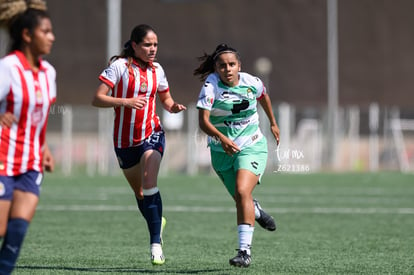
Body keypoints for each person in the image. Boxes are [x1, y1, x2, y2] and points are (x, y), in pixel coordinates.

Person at [92, 24, 186, 265]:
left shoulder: (158, 70)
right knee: (141, 193)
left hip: (151, 133)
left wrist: (172, 107)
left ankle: (156, 244)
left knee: (149, 181)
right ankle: (157, 221)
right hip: (124, 141)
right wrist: (125, 101)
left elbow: (165, 98)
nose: (152, 49)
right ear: (134, 45)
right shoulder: (119, 67)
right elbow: (97, 98)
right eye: (147, 44)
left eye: (155, 44)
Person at [194, 43, 280, 268]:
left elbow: (264, 97)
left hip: (251, 145)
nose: (228, 69)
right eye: (222, 66)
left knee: (242, 191)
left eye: (232, 64)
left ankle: (244, 252)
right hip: (221, 151)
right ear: (216, 69)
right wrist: (223, 139)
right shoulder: (210, 86)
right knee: (242, 199)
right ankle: (257, 210)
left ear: (239, 65)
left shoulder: (252, 82)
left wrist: (272, 122)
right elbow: (203, 122)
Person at [0, 1, 56, 274]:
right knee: (0, 227)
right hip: (2, 158)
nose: (52, 37)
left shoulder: (49, 73)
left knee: (17, 230)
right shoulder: (8, 68)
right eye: (45, 31)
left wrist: (44, 148)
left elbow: (40, 117)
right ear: (26, 35)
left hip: (31, 161)